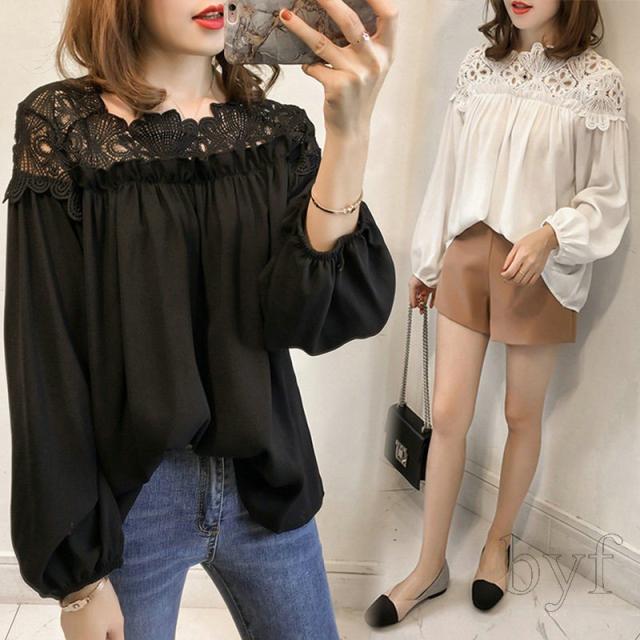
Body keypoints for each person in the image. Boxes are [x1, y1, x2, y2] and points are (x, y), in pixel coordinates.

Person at [2, 0, 398, 638]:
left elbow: (307, 317)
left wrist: (350, 135)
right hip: (132, 501)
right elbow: (45, 356)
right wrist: (78, 580)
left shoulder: (277, 131)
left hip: (267, 477)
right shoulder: (65, 126)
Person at [365, 0, 630, 627]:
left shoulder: (597, 82)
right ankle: (429, 565)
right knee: (449, 413)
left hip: (540, 266)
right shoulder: (478, 68)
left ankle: (496, 544)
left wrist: (553, 234)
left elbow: (609, 195)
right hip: (466, 253)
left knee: (520, 413)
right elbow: (448, 171)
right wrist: (429, 260)